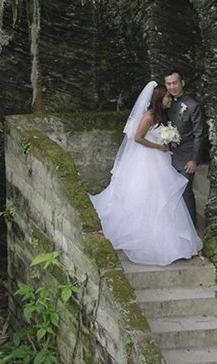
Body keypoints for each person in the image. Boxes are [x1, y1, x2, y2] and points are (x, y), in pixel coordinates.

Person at [88, 74, 203, 265]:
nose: (170, 98)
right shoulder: (149, 115)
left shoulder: (165, 112)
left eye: (173, 88)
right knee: (148, 194)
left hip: (162, 158)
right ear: (160, 98)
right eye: (167, 95)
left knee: (163, 195)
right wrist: (159, 146)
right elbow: (137, 137)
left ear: (182, 83)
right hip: (149, 158)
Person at [163, 69, 210, 229]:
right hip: (170, 155)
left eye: (175, 83)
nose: (172, 87)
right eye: (169, 84)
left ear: (182, 83)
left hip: (187, 157)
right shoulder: (167, 103)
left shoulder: (192, 105)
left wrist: (194, 160)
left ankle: (191, 228)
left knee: (186, 191)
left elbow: (199, 134)